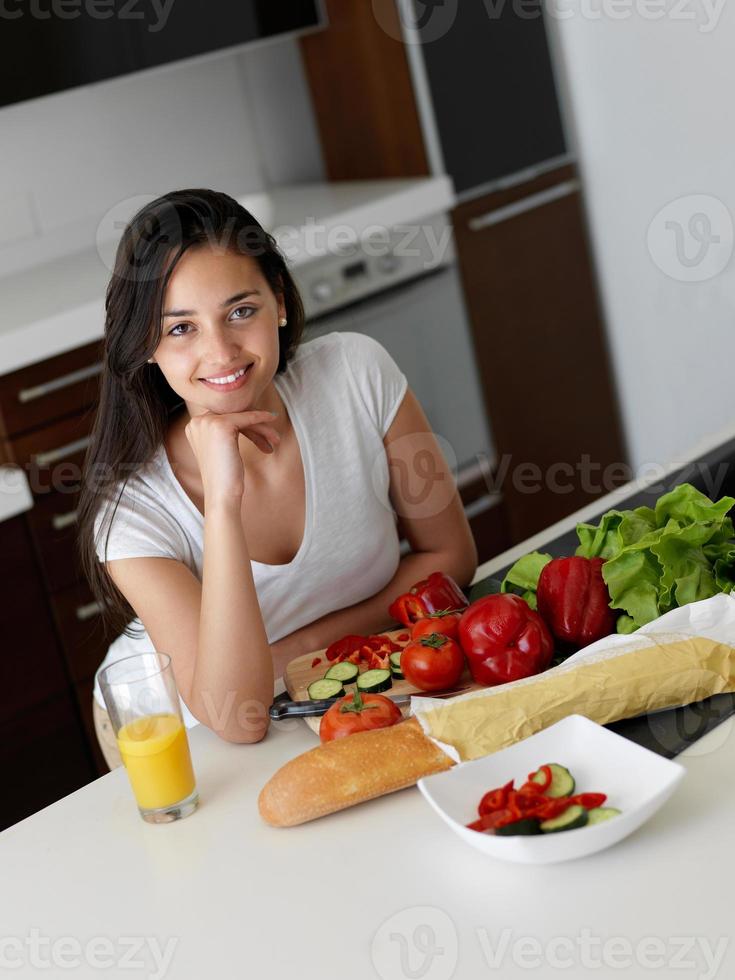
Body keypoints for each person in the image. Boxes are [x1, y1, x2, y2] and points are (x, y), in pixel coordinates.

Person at [77, 189, 478, 770]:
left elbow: (450, 556)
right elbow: (236, 716)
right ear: (144, 345)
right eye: (181, 328)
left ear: (281, 303)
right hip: (182, 734)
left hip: (336, 688)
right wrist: (223, 498)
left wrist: (291, 657)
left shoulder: (356, 373)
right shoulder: (131, 516)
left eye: (241, 311)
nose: (221, 352)